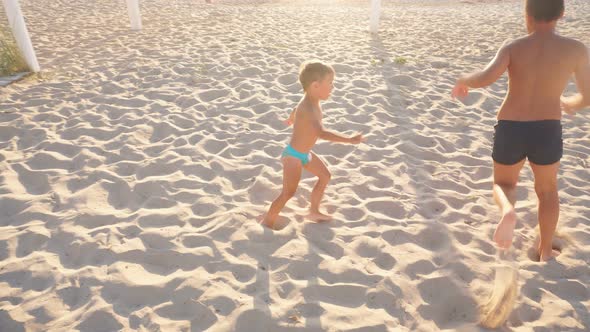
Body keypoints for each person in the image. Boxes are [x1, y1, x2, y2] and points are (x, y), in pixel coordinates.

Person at [452, 0, 589, 261]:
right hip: (547, 127)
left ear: (527, 13)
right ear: (561, 13)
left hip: (511, 126)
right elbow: (588, 95)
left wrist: (464, 80)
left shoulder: (514, 47)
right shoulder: (576, 49)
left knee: (503, 184)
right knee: (547, 191)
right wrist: (571, 103)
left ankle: (507, 212)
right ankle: (546, 250)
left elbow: (485, 77)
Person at [261, 61, 364, 229]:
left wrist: (291, 118)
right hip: (293, 156)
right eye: (330, 83)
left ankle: (314, 211)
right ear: (316, 85)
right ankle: (268, 221)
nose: (333, 87)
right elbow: (321, 133)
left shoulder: (309, 100)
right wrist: (349, 139)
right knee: (288, 193)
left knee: (325, 176)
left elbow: (296, 108)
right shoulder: (308, 108)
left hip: (305, 154)